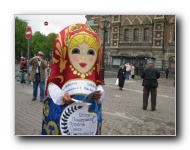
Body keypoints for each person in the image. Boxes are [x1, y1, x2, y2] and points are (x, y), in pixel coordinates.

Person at [41, 23, 105, 135]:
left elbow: (98, 85)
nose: (84, 57)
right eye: (76, 51)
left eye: (90, 52)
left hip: (89, 120)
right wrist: (61, 96)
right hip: (63, 117)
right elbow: (52, 84)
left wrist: (100, 94)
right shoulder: (63, 70)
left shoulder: (94, 71)